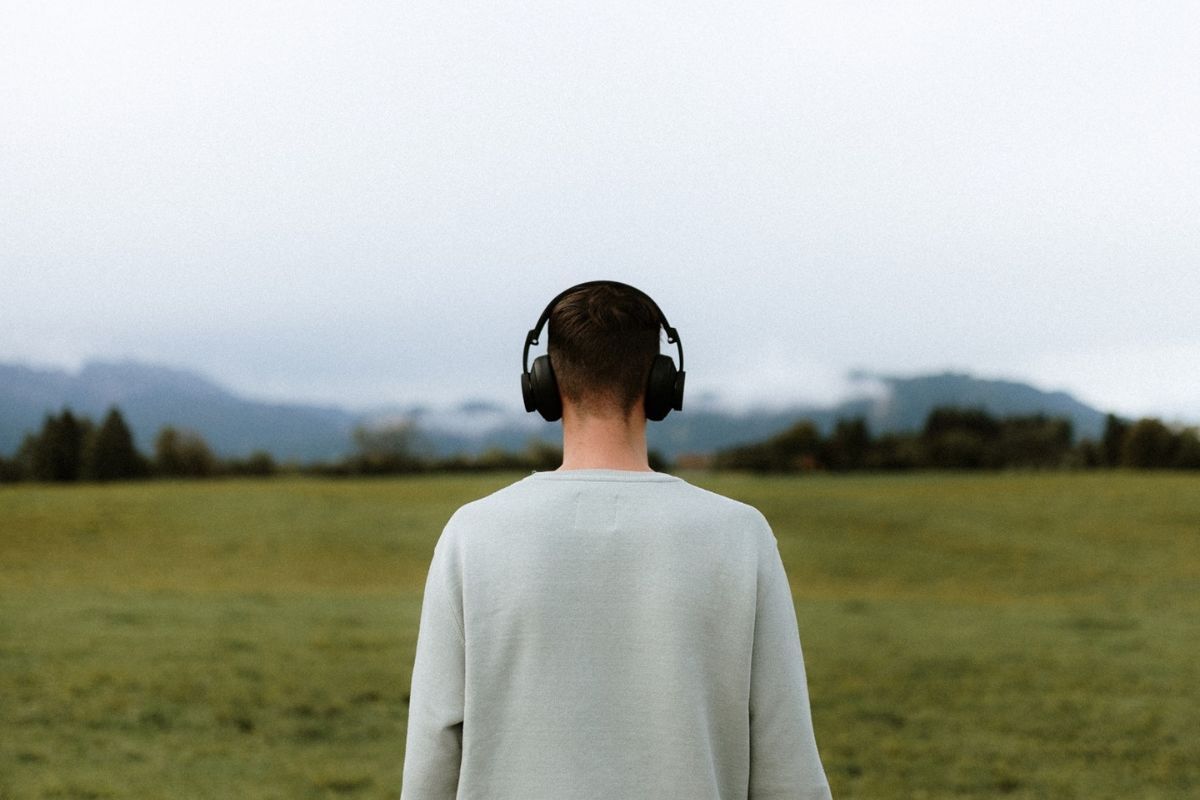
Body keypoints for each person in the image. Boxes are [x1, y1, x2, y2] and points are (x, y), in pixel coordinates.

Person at [400, 281, 831, 799]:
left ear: (543, 383)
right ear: (660, 384)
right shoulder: (741, 535)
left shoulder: (472, 533)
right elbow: (787, 760)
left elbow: (433, 751)